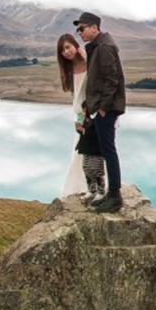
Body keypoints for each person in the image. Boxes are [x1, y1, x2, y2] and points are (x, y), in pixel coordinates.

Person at [74, 11, 128, 213]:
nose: (79, 32)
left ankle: (115, 196)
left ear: (94, 27)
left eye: (82, 28)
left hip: (107, 109)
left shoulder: (104, 47)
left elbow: (111, 79)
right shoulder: (98, 46)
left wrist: (104, 107)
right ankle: (110, 194)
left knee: (108, 151)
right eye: (78, 29)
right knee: (103, 150)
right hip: (100, 108)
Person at [56, 32, 91, 199]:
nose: (66, 52)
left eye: (68, 47)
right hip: (80, 115)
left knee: (96, 152)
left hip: (95, 112)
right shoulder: (68, 70)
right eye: (63, 50)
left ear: (75, 45)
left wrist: (90, 60)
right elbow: (75, 95)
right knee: (79, 151)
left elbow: (98, 81)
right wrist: (79, 118)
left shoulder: (89, 60)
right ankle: (78, 186)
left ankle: (94, 185)